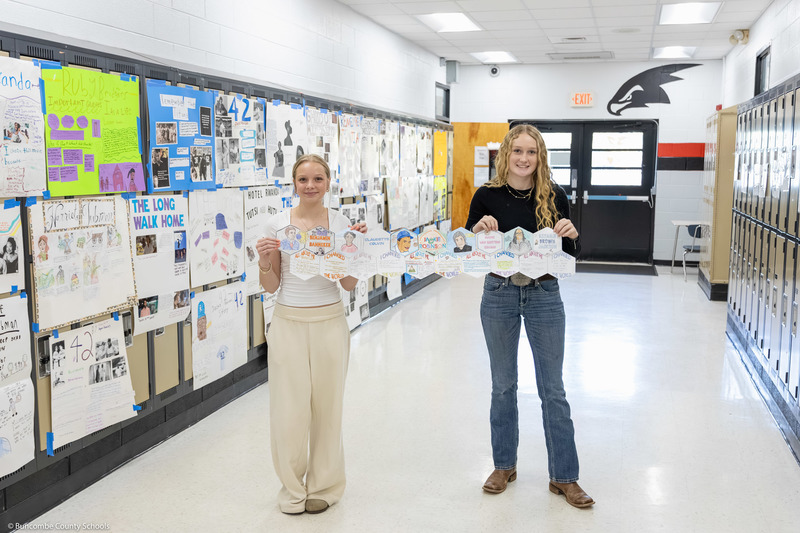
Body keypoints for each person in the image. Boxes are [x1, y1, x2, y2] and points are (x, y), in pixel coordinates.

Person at [465, 124, 592, 508]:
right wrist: (479, 231)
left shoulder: (555, 195)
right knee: (503, 385)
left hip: (545, 295)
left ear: (541, 156)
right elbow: (471, 251)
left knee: (553, 388)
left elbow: (570, 255)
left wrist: (571, 234)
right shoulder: (486, 195)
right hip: (499, 293)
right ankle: (504, 465)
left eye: (531, 152)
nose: (524, 159)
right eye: (517, 151)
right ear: (506, 154)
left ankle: (565, 477)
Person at [256, 154, 367, 515]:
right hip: (287, 323)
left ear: (328, 183)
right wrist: (264, 261)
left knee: (327, 408)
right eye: (303, 179)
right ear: (293, 184)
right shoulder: (277, 224)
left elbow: (349, 284)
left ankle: (325, 486)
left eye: (317, 179)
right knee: (288, 411)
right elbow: (271, 287)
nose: (310, 186)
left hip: (330, 323)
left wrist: (352, 250)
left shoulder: (340, 222)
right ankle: (291, 488)